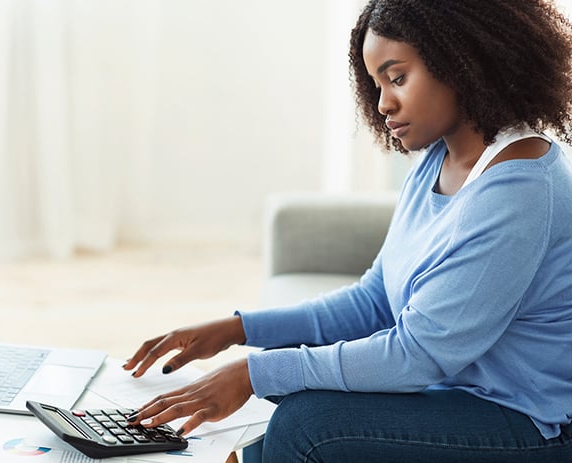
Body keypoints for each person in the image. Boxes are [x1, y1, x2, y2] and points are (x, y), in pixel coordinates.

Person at [123, 1, 572, 461]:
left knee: (309, 424)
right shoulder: (439, 158)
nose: (382, 105)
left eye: (397, 78)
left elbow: (417, 355)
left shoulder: (519, 188)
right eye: (376, 84)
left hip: (531, 421)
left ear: (463, 62)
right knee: (285, 407)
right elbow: (375, 301)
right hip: (458, 392)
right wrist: (238, 329)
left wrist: (254, 372)